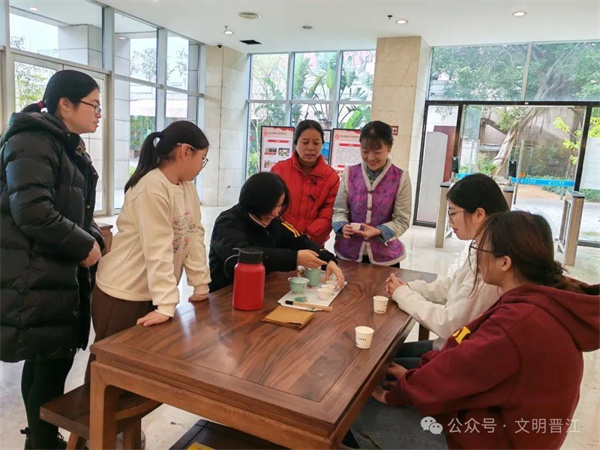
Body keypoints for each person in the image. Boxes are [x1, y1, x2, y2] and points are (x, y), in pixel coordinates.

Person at [349, 211, 599, 449]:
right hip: (500, 423)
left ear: (505, 262)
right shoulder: (540, 300)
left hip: (496, 440)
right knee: (397, 372)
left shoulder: (519, 322)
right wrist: (414, 378)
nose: (476, 257)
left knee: (358, 411)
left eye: (481, 249)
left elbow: (455, 369)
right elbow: (462, 357)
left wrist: (399, 392)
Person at [0, 70, 104, 449]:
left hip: (52, 269)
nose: (99, 114)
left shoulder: (63, 143)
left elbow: (76, 209)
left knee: (48, 360)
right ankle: (43, 442)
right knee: (49, 363)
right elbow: (32, 210)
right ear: (65, 104)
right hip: (35, 272)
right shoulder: (33, 140)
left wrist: (92, 236)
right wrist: (84, 246)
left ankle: (40, 440)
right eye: (94, 105)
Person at [91, 121, 211, 354]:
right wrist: (166, 303)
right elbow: (158, 249)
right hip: (123, 293)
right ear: (186, 151)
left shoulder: (187, 187)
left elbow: (194, 234)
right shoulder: (151, 188)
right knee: (110, 366)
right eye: (202, 158)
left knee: (146, 366)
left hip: (153, 292)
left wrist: (200, 283)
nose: (202, 166)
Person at [385, 174, 509, 368]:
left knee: (380, 364)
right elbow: (453, 284)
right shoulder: (482, 245)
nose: (450, 220)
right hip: (450, 345)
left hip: (459, 357)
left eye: (453, 212)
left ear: (479, 214)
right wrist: (409, 288)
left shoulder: (492, 261)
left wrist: (403, 295)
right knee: (387, 353)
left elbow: (449, 324)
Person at [209, 172, 345, 292]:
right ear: (254, 202)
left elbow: (300, 240)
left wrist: (328, 260)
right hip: (227, 293)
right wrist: (294, 258)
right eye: (269, 207)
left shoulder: (274, 222)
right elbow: (240, 256)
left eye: (279, 206)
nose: (275, 213)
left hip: (261, 289)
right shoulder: (227, 222)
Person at [332, 121, 411, 267]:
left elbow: (402, 220)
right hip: (348, 254)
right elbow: (339, 210)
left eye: (377, 152)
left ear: (389, 147)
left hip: (386, 258)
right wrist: (342, 226)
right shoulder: (350, 173)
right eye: (365, 151)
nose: (370, 157)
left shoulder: (401, 178)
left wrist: (379, 231)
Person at [271, 120, 339, 245]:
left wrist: (308, 238)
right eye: (305, 142)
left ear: (322, 145)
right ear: (296, 143)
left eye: (316, 143)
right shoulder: (279, 170)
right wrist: (284, 234)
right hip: (279, 240)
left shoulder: (331, 177)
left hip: (312, 244)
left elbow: (329, 213)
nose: (311, 148)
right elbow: (270, 206)